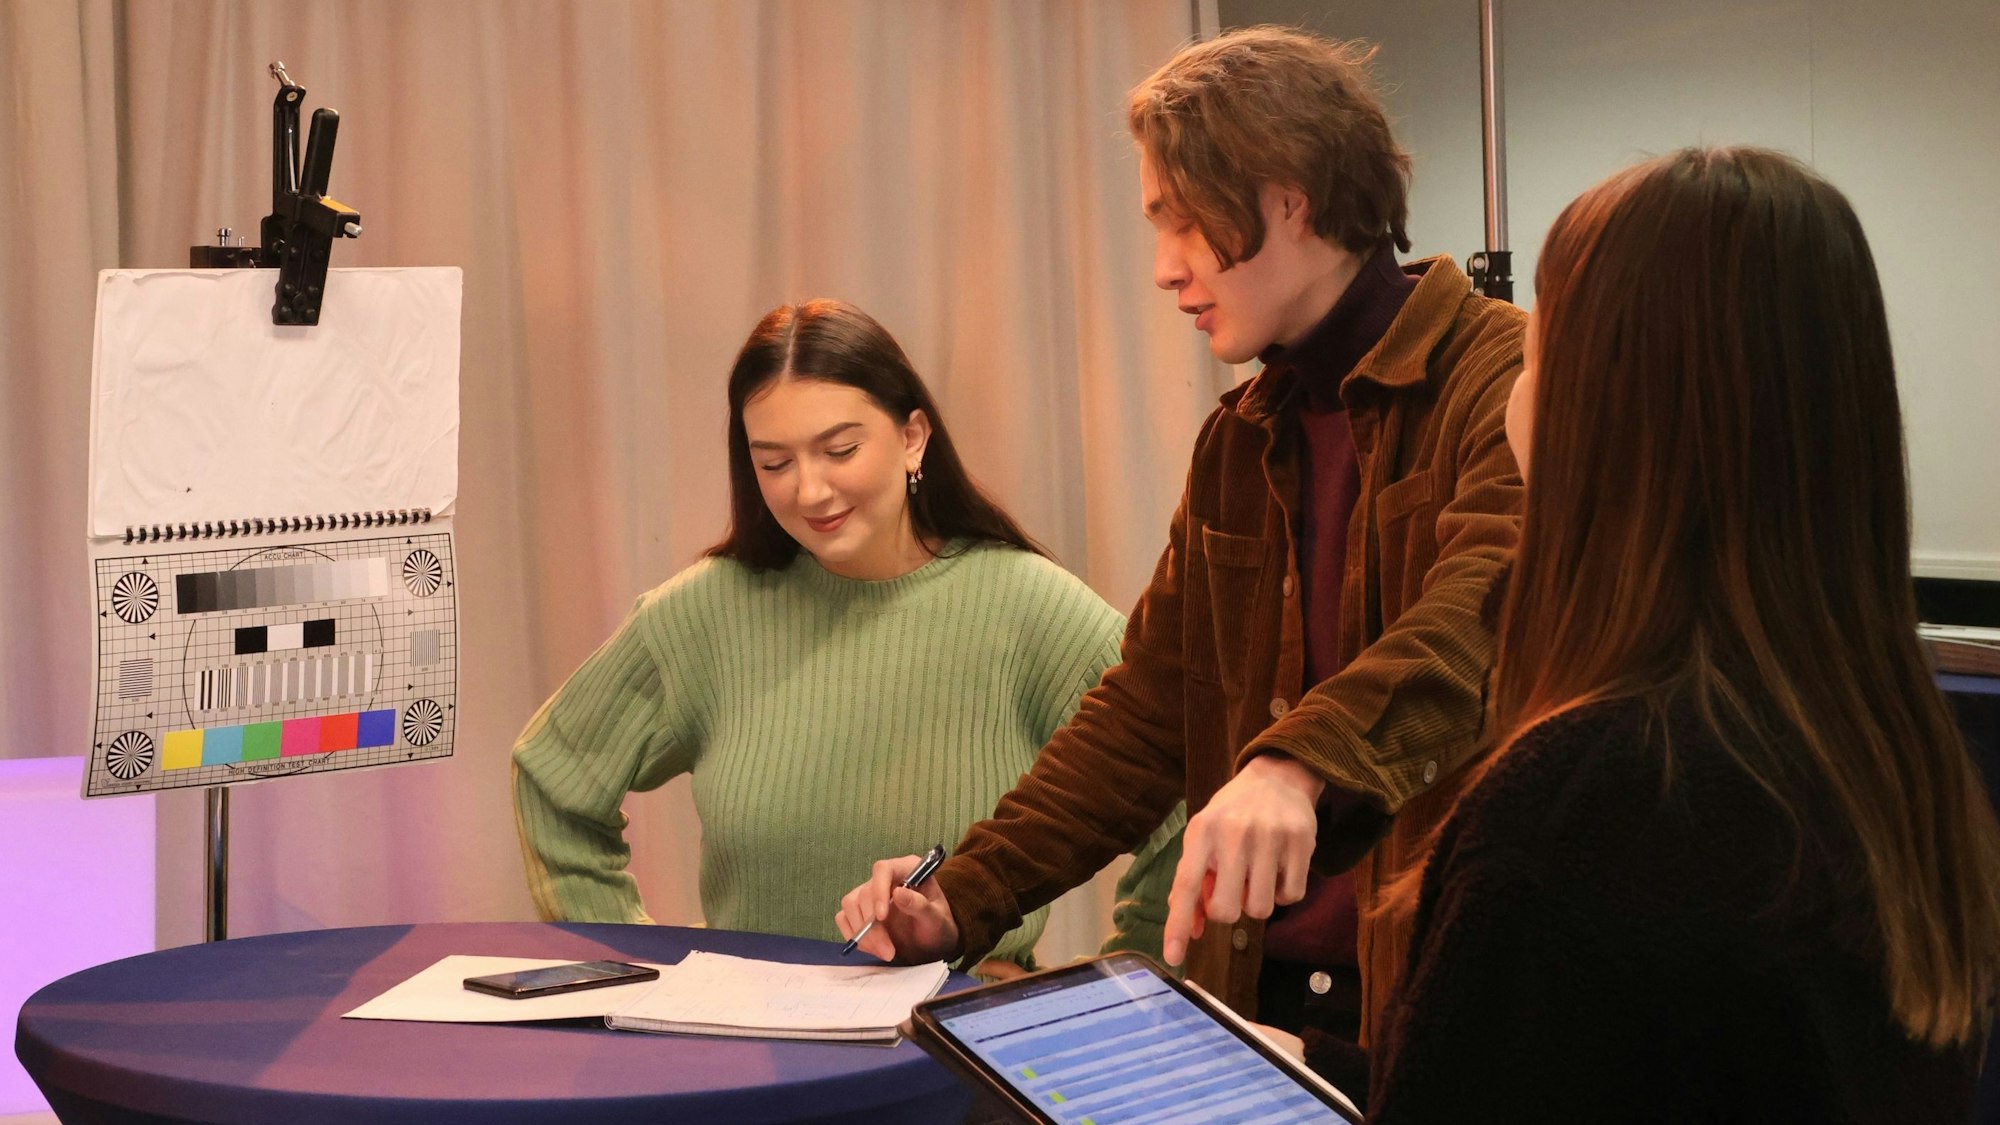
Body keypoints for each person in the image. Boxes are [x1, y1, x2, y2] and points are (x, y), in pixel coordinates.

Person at [838, 26, 1525, 1093]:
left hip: (1443, 1007)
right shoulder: (1238, 438)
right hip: (1252, 996)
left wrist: (1294, 763)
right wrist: (960, 897)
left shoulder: (1504, 378)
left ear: (1288, 197)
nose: (1164, 268)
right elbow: (1144, 714)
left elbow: (1482, 615)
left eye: (1183, 221)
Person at [1367, 147, 2000, 1121]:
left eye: (1538, 350)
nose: (1516, 391)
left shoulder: (1584, 802)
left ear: (1606, 411)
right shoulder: (1887, 755)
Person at [512, 299, 1178, 977]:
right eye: (774, 463)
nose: (810, 490)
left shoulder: (1030, 607)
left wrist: (1120, 997)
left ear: (912, 437)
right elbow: (553, 778)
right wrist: (637, 977)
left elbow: (1185, 798)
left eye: (840, 451)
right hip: (749, 1036)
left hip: (950, 1038)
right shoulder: (703, 613)